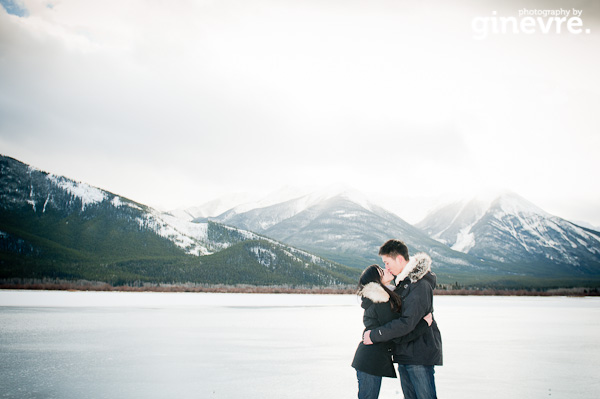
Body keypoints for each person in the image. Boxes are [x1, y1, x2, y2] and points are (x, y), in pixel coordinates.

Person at [362, 240, 443, 399]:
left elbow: (406, 323)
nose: (386, 267)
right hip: (405, 353)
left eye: (387, 262)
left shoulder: (418, 285)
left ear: (399, 259)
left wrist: (374, 335)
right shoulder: (403, 284)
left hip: (418, 355)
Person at [352, 264, 433, 399]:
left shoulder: (383, 297)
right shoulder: (381, 300)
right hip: (370, 361)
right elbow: (396, 334)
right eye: (382, 272)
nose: (386, 270)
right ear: (376, 280)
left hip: (370, 360)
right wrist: (423, 324)